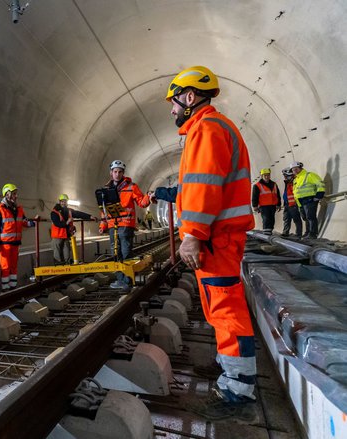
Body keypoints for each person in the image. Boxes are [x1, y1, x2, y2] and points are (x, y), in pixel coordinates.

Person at [152, 66, 257, 420]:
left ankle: (237, 391)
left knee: (227, 310)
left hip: (216, 238)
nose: (171, 110)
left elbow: (203, 186)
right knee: (217, 307)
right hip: (220, 237)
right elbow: (197, 186)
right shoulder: (212, 128)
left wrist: (192, 235)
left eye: (173, 101)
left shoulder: (207, 129)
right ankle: (228, 367)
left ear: (190, 97)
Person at [98, 160, 150, 290]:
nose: (117, 174)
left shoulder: (131, 187)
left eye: (120, 172)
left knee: (126, 252)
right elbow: (103, 209)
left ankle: (127, 280)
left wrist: (149, 196)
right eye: (115, 172)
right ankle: (121, 279)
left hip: (126, 224)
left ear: (123, 173)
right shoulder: (106, 189)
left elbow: (141, 202)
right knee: (115, 253)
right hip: (112, 225)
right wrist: (102, 225)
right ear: (111, 173)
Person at [0, 184, 39, 291]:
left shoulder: (19, 209)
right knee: (5, 267)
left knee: (13, 267)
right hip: (5, 244)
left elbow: (24, 222)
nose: (16, 196)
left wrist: (34, 222)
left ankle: (13, 289)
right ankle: (5, 290)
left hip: (16, 243)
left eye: (16, 194)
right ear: (7, 194)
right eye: (14, 194)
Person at [50, 194, 96, 264]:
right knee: (57, 253)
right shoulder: (54, 212)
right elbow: (57, 223)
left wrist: (90, 216)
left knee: (66, 252)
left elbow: (79, 214)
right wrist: (67, 223)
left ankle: (67, 266)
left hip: (66, 235)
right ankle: (59, 268)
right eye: (62, 201)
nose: (63, 203)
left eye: (65, 201)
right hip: (57, 236)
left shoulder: (69, 211)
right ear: (59, 202)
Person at [289, 161, 325, 239]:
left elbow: (320, 183)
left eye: (296, 169)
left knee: (310, 217)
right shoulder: (296, 179)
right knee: (305, 217)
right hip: (300, 201)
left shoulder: (309, 175)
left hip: (309, 199)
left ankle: (313, 234)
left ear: (300, 168)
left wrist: (319, 194)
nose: (294, 170)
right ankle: (308, 232)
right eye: (293, 169)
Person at [251, 168, 281, 235]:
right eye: (265, 175)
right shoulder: (257, 185)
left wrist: (279, 204)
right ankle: (266, 234)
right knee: (266, 219)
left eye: (268, 175)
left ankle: (269, 232)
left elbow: (277, 195)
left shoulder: (274, 184)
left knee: (272, 219)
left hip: (272, 205)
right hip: (263, 206)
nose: (267, 177)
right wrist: (255, 206)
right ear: (262, 176)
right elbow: (254, 197)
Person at [281, 167, 303, 238]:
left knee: (296, 219)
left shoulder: (294, 182)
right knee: (286, 218)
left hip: (293, 204)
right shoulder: (287, 182)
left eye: (285, 175)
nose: (284, 177)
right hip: (287, 204)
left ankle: (298, 234)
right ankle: (285, 232)